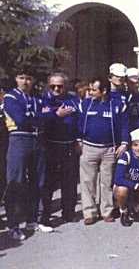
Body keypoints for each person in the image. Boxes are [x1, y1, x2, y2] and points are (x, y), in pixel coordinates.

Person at [4, 71, 52, 240]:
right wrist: (39, 116)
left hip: (37, 140)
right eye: (22, 78)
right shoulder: (11, 97)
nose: (25, 82)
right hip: (19, 139)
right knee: (16, 182)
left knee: (38, 181)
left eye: (29, 78)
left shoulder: (37, 98)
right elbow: (20, 119)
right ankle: (13, 224)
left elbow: (49, 115)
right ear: (16, 79)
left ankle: (33, 219)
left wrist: (36, 116)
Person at [77, 77, 129, 226]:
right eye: (90, 89)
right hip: (89, 147)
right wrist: (78, 140)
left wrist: (124, 143)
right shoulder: (85, 104)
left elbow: (124, 125)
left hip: (109, 149)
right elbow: (79, 124)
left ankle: (106, 211)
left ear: (104, 91)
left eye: (94, 89)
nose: (90, 92)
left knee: (106, 182)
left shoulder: (117, 105)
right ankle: (89, 212)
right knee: (88, 181)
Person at [41, 72, 80, 224]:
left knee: (69, 182)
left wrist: (78, 139)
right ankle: (45, 215)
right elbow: (41, 118)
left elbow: (78, 120)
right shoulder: (43, 99)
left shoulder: (73, 99)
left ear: (65, 85)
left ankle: (68, 213)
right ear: (48, 85)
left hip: (69, 145)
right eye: (53, 86)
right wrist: (56, 114)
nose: (56, 89)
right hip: (51, 146)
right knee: (49, 182)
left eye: (60, 86)